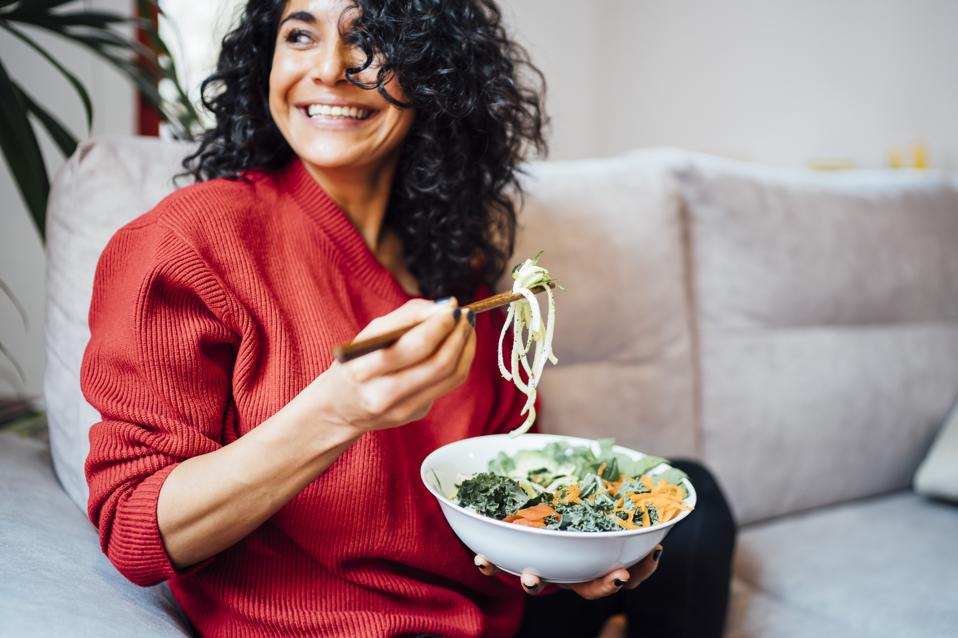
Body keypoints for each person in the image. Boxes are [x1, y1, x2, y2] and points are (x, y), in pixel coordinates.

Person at [81, 1, 735, 636]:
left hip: (486, 612)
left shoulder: (463, 280)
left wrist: (568, 556)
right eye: (299, 36)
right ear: (265, 64)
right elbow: (136, 531)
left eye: (368, 37)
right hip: (338, 627)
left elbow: (495, 505)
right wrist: (336, 412)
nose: (330, 68)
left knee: (690, 506)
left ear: (432, 72)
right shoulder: (191, 242)